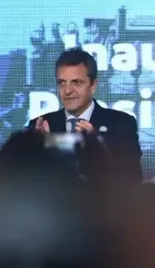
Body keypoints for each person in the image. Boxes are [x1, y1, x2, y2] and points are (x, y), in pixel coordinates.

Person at [27, 48, 142, 181]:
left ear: (93, 86)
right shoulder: (41, 125)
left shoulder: (121, 124)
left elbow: (132, 180)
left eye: (76, 82)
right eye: (62, 83)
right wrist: (41, 147)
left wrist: (97, 145)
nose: (67, 91)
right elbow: (26, 184)